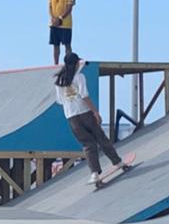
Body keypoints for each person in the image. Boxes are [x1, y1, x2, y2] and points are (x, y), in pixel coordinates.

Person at [54, 52, 129, 184]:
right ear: (76, 63)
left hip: (72, 117)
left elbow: (60, 101)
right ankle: (117, 162)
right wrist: (95, 112)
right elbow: (85, 96)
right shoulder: (79, 77)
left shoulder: (59, 81)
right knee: (101, 138)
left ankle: (94, 174)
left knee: (88, 145)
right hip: (85, 112)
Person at [46, 0, 76, 65]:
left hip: (65, 24)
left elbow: (69, 7)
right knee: (55, 45)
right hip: (54, 23)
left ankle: (69, 62)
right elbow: (50, 7)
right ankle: (55, 64)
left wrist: (60, 18)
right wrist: (53, 18)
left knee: (67, 44)